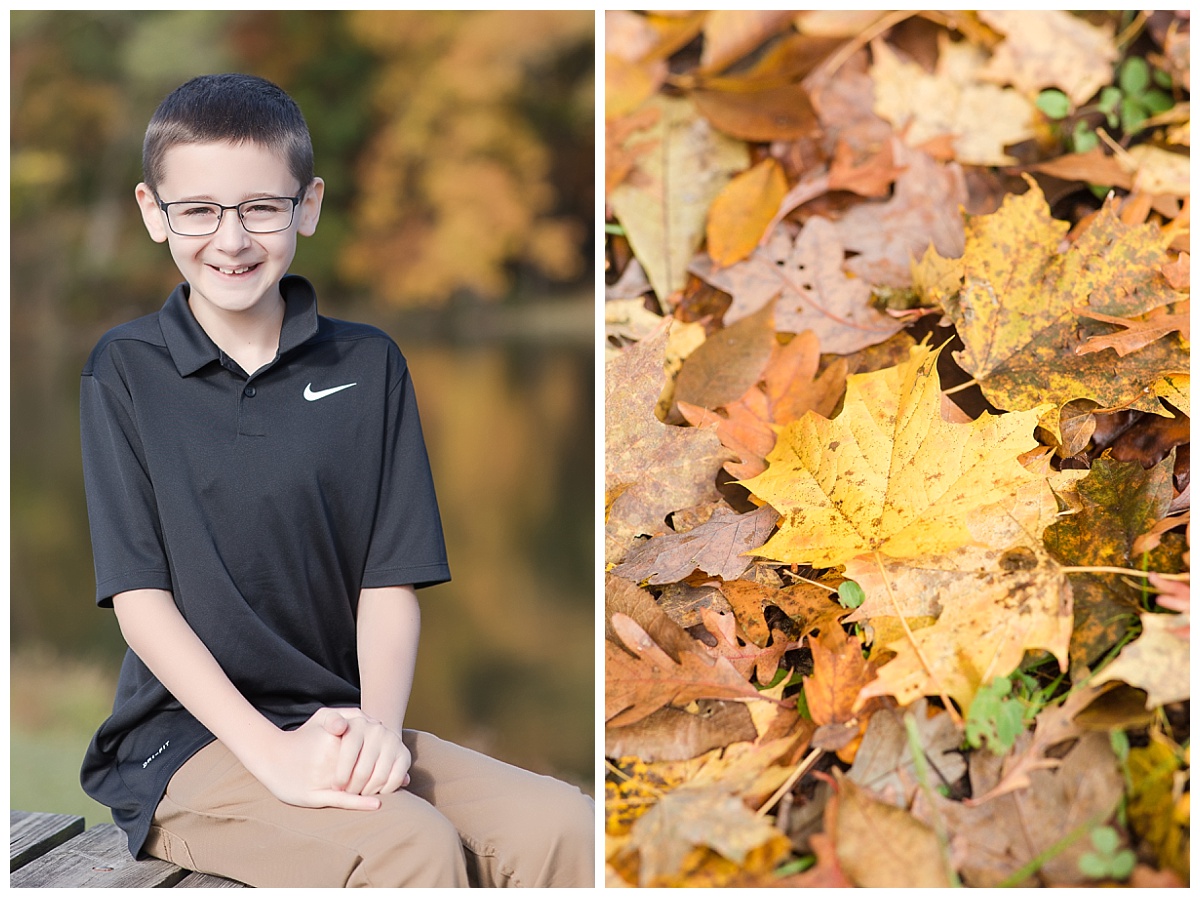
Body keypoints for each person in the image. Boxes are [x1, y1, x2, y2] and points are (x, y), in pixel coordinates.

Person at [78, 72, 594, 888]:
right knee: (409, 846)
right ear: (153, 213)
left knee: (567, 827)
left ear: (306, 206)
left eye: (260, 207)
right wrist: (275, 758)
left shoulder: (367, 363)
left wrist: (381, 733)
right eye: (200, 210)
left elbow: (390, 577)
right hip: (188, 745)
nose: (232, 238)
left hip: (338, 720)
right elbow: (140, 603)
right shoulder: (125, 370)